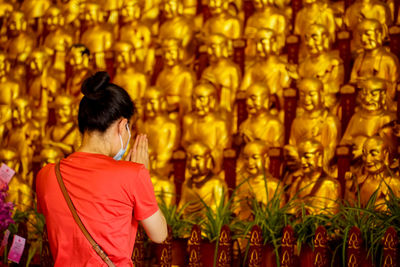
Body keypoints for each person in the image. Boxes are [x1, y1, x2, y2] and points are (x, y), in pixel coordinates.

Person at [36, 72, 168, 266]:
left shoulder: (46, 175)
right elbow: (159, 234)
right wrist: (143, 177)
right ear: (122, 126)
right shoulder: (132, 174)